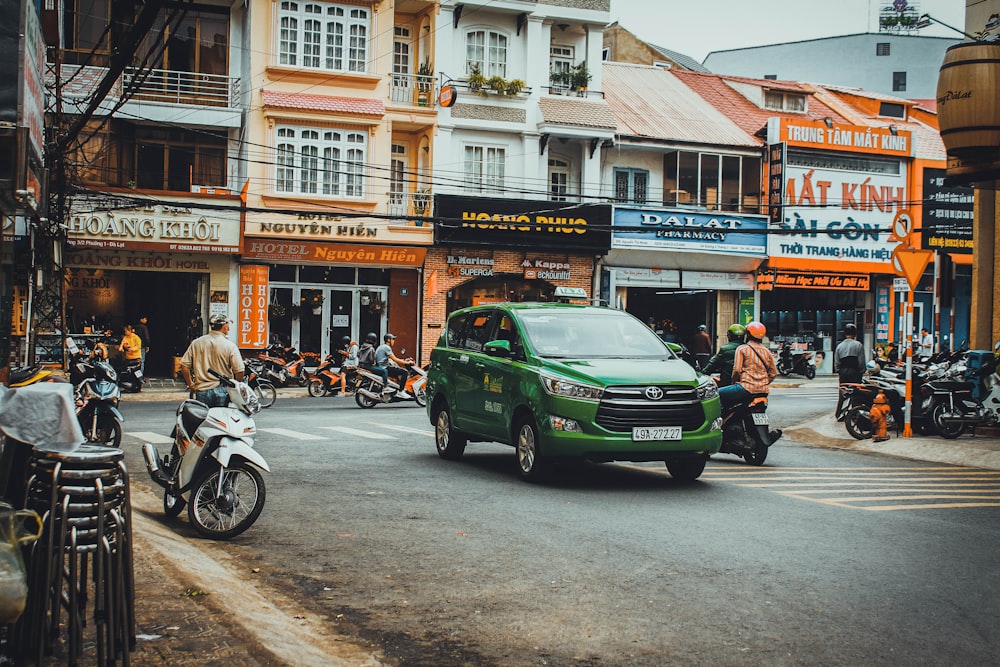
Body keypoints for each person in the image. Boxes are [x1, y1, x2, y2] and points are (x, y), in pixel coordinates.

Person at [179, 314, 245, 407]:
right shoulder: (230, 346)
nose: (229, 328)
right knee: (222, 420)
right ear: (225, 327)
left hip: (202, 390)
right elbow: (240, 371)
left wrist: (190, 383)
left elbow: (184, 365)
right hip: (223, 390)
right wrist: (235, 386)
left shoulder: (196, 343)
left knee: (204, 419)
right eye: (228, 325)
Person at [717, 321, 779, 411]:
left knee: (716, 394)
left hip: (746, 388)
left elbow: (737, 370)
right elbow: (773, 373)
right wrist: (762, 383)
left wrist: (734, 382)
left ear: (748, 335)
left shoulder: (742, 349)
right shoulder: (766, 351)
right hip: (763, 391)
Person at [374, 333, 413, 398]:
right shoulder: (387, 347)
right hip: (384, 367)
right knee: (404, 372)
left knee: (397, 373)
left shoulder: (381, 346)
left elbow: (393, 358)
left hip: (381, 366)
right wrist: (407, 363)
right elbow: (395, 359)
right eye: (393, 339)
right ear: (388, 340)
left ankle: (396, 389)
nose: (394, 341)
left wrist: (404, 360)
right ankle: (401, 391)